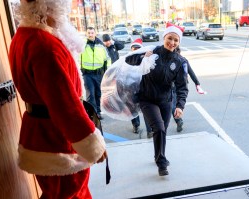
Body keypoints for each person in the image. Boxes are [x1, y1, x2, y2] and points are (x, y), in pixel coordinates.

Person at [8, 0, 107, 198]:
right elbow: (65, 105)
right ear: (50, 7)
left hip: (41, 134)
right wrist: (92, 145)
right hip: (57, 140)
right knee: (71, 193)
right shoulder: (45, 46)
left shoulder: (23, 35)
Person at [125, 23, 189, 176]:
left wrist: (180, 106)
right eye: (169, 38)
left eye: (176, 40)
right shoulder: (152, 51)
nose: (172, 42)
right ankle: (162, 163)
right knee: (159, 128)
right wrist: (142, 57)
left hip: (165, 101)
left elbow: (182, 86)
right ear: (164, 37)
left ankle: (157, 156)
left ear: (178, 42)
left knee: (162, 131)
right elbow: (129, 60)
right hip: (147, 99)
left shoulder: (180, 62)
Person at [172, 46, 206, 132]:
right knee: (178, 103)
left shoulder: (171, 61)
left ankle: (178, 120)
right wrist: (197, 84)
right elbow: (191, 73)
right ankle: (178, 117)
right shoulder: (184, 60)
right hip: (182, 86)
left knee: (173, 105)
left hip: (173, 86)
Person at [81, 27, 111, 120]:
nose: (90, 34)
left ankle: (98, 112)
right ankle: (91, 114)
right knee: (90, 94)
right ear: (86, 34)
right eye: (88, 33)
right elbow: (77, 57)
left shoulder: (101, 45)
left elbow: (107, 59)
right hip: (87, 74)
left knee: (98, 94)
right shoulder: (82, 44)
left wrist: (108, 72)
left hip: (99, 74)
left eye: (92, 32)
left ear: (95, 33)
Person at [129, 38, 153, 137]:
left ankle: (149, 131)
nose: (136, 50)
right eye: (134, 48)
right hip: (131, 89)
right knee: (133, 109)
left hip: (144, 90)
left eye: (138, 48)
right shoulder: (128, 59)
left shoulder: (146, 60)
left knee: (146, 110)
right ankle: (136, 125)